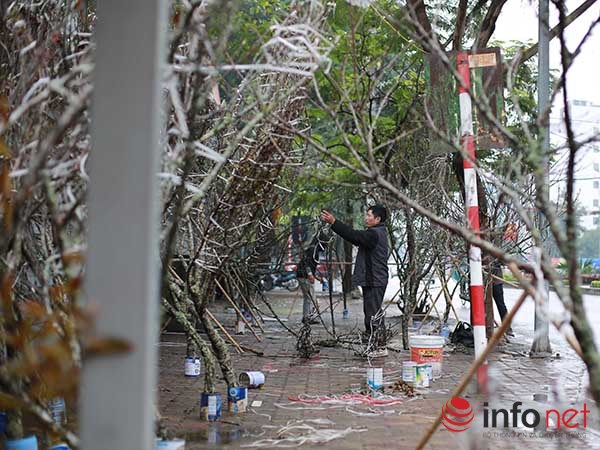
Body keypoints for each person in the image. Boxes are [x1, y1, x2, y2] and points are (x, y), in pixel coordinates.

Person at [321, 205, 389, 357]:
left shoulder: (374, 234)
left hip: (375, 279)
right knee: (372, 313)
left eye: (369, 215)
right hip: (374, 279)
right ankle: (375, 344)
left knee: (373, 314)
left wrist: (334, 222)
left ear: (377, 219)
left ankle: (379, 346)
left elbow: (353, 235)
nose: (366, 217)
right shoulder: (376, 232)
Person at [296, 233, 326, 324]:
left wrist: (315, 277)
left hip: (302, 275)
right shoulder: (313, 250)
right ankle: (307, 318)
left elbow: (310, 265)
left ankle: (306, 317)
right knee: (310, 297)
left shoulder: (312, 249)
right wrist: (310, 275)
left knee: (308, 297)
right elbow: (307, 263)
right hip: (304, 276)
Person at [491, 260, 514, 336]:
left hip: (496, 281)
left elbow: (504, 261)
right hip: (483, 281)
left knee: (501, 305)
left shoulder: (495, 251)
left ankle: (507, 328)